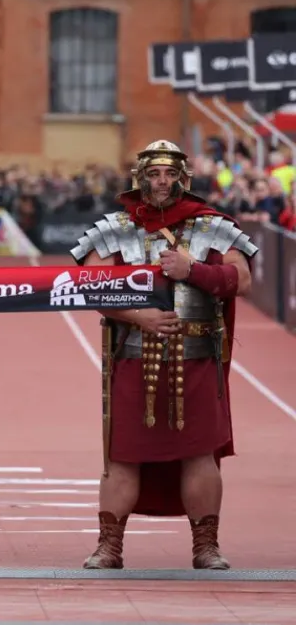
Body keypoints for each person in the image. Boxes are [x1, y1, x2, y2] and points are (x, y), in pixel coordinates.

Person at [69, 140, 258, 571]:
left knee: (200, 453)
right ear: (140, 179)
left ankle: (206, 546)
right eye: (154, 175)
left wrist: (193, 270)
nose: (162, 182)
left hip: (197, 355)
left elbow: (241, 279)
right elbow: (90, 284)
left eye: (170, 174)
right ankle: (109, 546)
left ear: (184, 179)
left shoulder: (211, 226)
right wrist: (140, 317)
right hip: (135, 356)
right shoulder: (114, 228)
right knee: (123, 455)